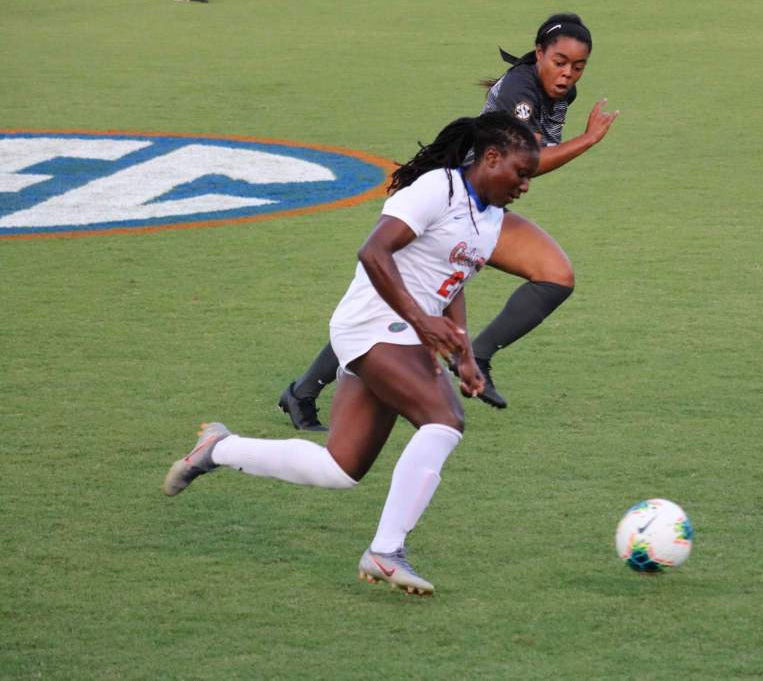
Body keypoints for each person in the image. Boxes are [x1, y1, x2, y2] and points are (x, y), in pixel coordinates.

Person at [163, 112, 540, 596]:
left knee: (341, 468)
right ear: (491, 158)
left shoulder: (489, 218)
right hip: (373, 323)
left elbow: (454, 282)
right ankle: (385, 552)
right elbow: (373, 253)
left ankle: (218, 448)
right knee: (445, 420)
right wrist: (423, 321)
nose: (526, 185)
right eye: (521, 173)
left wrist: (462, 349)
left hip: (403, 333)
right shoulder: (437, 190)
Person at [279, 12, 618, 429]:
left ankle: (477, 357)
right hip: (452, 206)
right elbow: (531, 159)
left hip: (485, 208)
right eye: (560, 62)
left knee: (555, 275)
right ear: (539, 54)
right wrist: (589, 140)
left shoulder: (560, 93)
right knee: (394, 306)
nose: (567, 74)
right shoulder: (521, 88)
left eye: (578, 66)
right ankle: (303, 392)